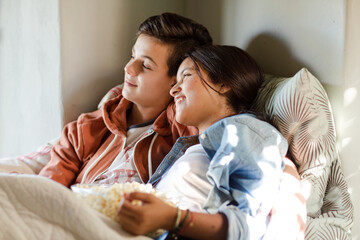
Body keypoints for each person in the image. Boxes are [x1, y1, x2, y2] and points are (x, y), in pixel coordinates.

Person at [118, 45, 288, 240]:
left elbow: (247, 227)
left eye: (186, 76)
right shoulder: (194, 147)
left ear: (223, 83)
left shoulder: (244, 132)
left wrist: (173, 218)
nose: (173, 90)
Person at [38, 12, 212, 187]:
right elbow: (42, 193)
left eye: (145, 65)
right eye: (132, 56)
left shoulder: (184, 132)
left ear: (177, 80)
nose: (129, 68)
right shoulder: (85, 131)